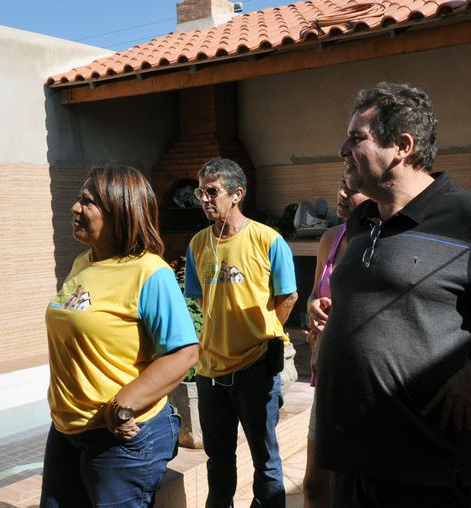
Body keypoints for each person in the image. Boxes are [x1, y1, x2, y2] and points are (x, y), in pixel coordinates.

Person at [315, 82, 471, 507]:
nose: (344, 149)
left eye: (357, 137)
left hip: (424, 464)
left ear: (402, 146)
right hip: (350, 454)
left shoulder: (462, 216)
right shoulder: (362, 221)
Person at [40, 166, 199, 507]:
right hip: (68, 428)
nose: (75, 208)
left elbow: (184, 352)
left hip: (119, 437)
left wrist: (124, 404)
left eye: (87, 201)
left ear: (119, 211)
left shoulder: (149, 272)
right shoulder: (84, 263)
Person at [184, 158, 298, 507]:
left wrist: (265, 335)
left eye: (212, 191)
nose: (204, 198)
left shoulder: (268, 240)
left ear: (237, 194)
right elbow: (197, 300)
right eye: (200, 191)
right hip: (211, 372)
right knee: (218, 459)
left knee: (265, 458)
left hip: (255, 367)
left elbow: (289, 295)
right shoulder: (198, 245)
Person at [302, 177, 367, 508]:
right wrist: (313, 306)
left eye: (351, 189)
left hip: (362, 379)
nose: (340, 193)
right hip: (326, 374)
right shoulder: (331, 238)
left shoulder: (380, 241)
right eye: (340, 184)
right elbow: (315, 293)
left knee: (355, 483)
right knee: (315, 484)